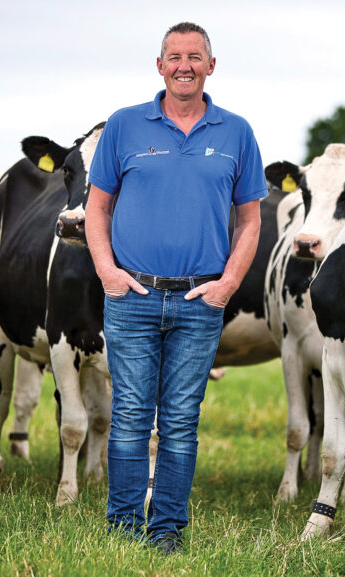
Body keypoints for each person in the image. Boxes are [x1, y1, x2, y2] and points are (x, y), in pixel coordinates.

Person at [84, 22, 266, 554]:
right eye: (174, 56)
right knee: (131, 416)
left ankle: (166, 532)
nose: (184, 65)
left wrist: (228, 283)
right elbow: (97, 208)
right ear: (159, 65)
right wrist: (107, 272)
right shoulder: (124, 126)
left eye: (194, 56)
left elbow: (250, 221)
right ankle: (123, 529)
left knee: (182, 422)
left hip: (198, 301)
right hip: (132, 297)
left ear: (211, 65)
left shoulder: (236, 132)